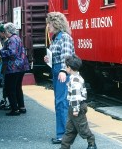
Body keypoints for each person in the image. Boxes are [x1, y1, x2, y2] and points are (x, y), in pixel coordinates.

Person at [44, 12, 76, 144]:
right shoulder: (57, 37)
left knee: (61, 103)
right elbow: (59, 55)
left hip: (62, 72)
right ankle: (62, 133)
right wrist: (48, 59)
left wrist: (63, 70)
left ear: (56, 23)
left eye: (49, 23)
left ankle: (63, 135)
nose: (48, 26)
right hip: (57, 71)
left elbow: (67, 57)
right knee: (60, 103)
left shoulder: (64, 38)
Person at [60, 55, 97, 149]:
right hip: (74, 106)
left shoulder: (75, 80)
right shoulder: (76, 77)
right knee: (70, 129)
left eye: (65, 66)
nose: (65, 68)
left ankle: (91, 142)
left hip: (77, 107)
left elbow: (75, 96)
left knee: (82, 127)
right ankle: (64, 146)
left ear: (69, 68)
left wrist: (75, 109)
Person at [0, 22, 30, 116]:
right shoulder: (17, 38)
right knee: (18, 87)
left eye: (5, 31)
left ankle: (14, 109)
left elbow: (12, 53)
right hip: (22, 66)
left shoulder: (11, 39)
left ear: (8, 31)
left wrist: (1, 51)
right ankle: (22, 107)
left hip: (13, 67)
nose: (4, 32)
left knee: (10, 88)